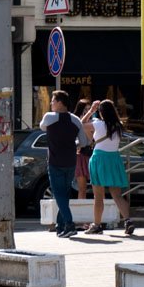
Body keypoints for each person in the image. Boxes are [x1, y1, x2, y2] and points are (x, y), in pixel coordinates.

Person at [39, 91, 89, 237]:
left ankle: (69, 224)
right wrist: (74, 145)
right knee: (64, 194)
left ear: (60, 102)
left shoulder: (49, 117)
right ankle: (61, 227)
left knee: (59, 194)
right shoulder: (75, 120)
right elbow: (84, 142)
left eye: (53, 101)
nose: (51, 103)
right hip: (70, 161)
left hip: (55, 161)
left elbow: (42, 127)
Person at [82, 99, 133, 236]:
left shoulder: (98, 124)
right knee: (117, 195)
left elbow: (81, 124)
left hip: (99, 158)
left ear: (101, 113)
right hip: (114, 158)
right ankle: (128, 221)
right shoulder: (119, 126)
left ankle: (97, 225)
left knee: (98, 196)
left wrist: (91, 111)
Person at [73, 98, 93, 200]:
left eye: (90, 109)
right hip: (80, 156)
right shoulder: (75, 121)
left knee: (97, 187)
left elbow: (91, 141)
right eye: (85, 109)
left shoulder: (93, 122)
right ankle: (80, 211)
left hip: (91, 154)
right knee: (82, 188)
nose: (88, 112)